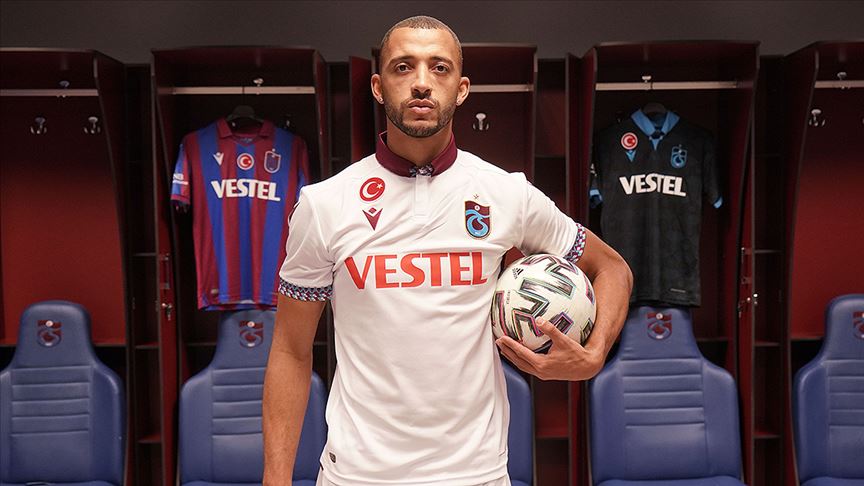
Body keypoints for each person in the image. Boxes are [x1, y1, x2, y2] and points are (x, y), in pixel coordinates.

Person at [263, 15, 633, 486]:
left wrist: (595, 354)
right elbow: (291, 351)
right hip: (357, 475)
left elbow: (612, 268)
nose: (421, 82)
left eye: (439, 68)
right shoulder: (325, 204)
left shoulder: (506, 193)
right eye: (403, 67)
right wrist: (275, 480)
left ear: (461, 90)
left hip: (476, 474)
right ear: (378, 87)